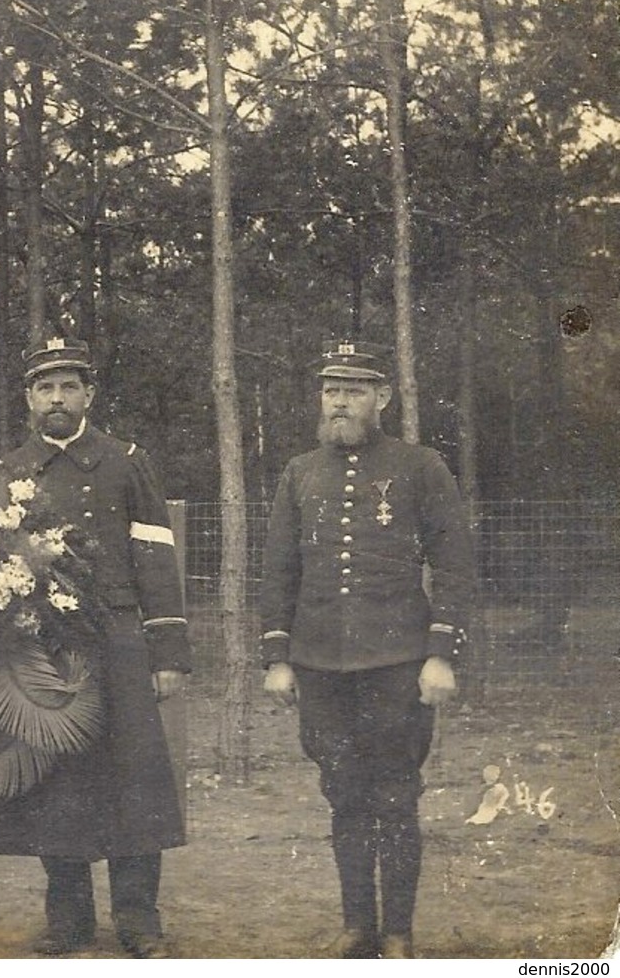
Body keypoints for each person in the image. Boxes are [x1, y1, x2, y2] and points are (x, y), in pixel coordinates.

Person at [0, 336, 192, 959]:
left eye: (70, 386)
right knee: (54, 779)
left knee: (133, 775)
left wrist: (167, 651)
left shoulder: (127, 462)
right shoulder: (9, 470)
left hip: (119, 641)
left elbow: (155, 559)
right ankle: (67, 917)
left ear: (89, 395)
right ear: (29, 399)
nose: (58, 399)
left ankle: (138, 919)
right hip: (44, 648)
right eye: (46, 388)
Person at [259, 340, 475, 960]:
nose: (341, 403)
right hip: (321, 666)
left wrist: (441, 653)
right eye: (331, 391)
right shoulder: (299, 473)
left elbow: (454, 567)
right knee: (343, 791)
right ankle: (357, 926)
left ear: (382, 397)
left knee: (395, 794)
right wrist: (277, 657)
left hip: (397, 665)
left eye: (354, 391)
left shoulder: (420, 466)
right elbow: (279, 572)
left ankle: (399, 933)